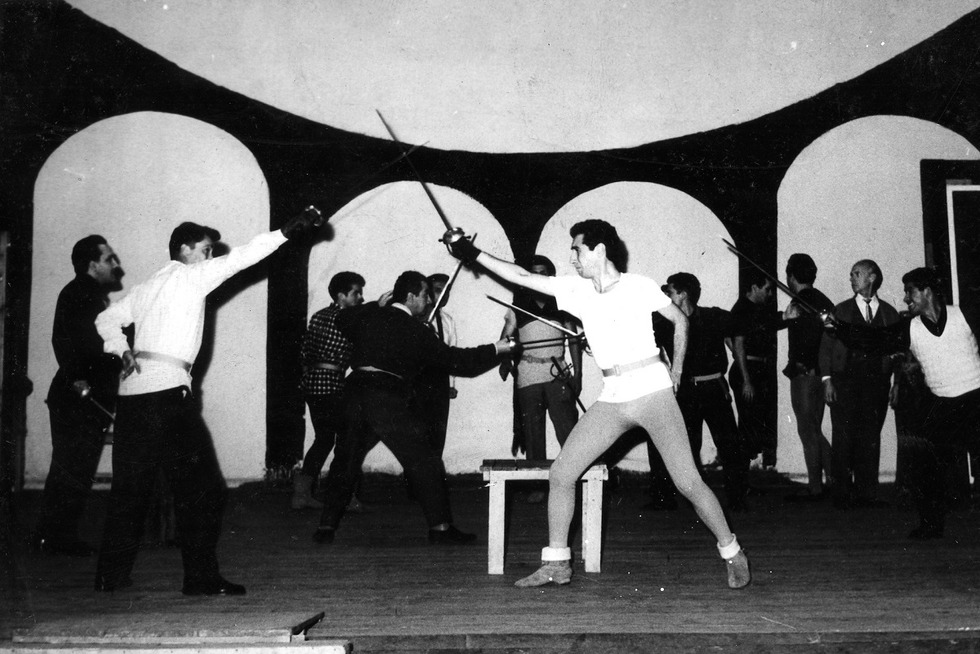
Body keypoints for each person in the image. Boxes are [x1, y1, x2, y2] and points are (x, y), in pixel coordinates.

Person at [447, 220, 751, 590]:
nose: (572, 258)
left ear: (599, 250)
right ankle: (557, 564)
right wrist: (471, 253)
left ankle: (732, 551)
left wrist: (679, 373)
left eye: (577, 249)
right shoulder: (575, 290)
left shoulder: (639, 286)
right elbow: (521, 276)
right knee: (562, 473)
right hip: (612, 397)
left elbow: (681, 321)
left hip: (653, 393)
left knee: (688, 481)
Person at [93, 208, 324, 595]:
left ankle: (108, 577)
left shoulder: (147, 286)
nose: (211, 256)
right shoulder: (190, 276)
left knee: (129, 490)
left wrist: (121, 349)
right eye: (205, 249)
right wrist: (288, 230)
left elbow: (105, 320)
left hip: (132, 398)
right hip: (166, 396)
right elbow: (242, 257)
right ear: (185, 250)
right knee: (204, 489)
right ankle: (200, 578)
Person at [312, 271, 514, 545]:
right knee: (426, 461)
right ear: (410, 297)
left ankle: (326, 527)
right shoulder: (414, 329)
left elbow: (343, 319)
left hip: (354, 392)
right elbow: (458, 361)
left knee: (344, 460)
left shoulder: (367, 315)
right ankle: (441, 529)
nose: (429, 301)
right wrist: (497, 348)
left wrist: (375, 305)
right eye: (425, 295)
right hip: (385, 397)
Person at [829, 267, 980, 539]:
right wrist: (838, 326)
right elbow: (872, 340)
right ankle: (931, 525)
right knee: (926, 466)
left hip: (975, 400)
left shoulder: (964, 315)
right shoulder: (910, 327)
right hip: (942, 404)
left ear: (926, 291)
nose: (906, 299)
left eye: (909, 292)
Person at [33, 235, 124, 557]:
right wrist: (83, 378)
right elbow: (68, 343)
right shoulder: (79, 295)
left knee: (74, 468)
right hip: (78, 398)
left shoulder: (88, 295)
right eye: (110, 259)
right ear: (92, 264)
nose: (117, 265)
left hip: (80, 396)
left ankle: (55, 536)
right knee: (72, 468)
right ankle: (55, 538)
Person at [648, 273, 751, 512]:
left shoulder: (713, 317)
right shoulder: (664, 322)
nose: (666, 295)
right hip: (684, 392)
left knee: (729, 446)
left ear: (683, 294)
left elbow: (746, 323)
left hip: (714, 389)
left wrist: (782, 317)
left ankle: (736, 499)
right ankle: (672, 499)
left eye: (670, 291)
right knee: (682, 446)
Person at [499, 255, 582, 503]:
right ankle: (537, 486)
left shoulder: (562, 302)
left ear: (550, 275)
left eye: (544, 272)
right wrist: (505, 360)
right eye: (534, 272)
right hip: (528, 374)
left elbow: (574, 340)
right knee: (533, 433)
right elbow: (506, 338)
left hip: (558, 374)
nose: (539, 276)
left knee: (567, 430)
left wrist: (578, 375)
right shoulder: (518, 305)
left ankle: (573, 482)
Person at [818, 259, 899, 509]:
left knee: (870, 438)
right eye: (852, 274)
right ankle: (841, 496)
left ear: (872, 278)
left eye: (856, 274)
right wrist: (827, 380)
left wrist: (896, 383)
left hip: (876, 386)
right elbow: (826, 348)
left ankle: (867, 495)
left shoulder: (889, 313)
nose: (851, 278)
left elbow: (897, 352)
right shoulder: (839, 311)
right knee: (842, 438)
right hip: (844, 384)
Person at [293, 271, 365, 511]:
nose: (361, 298)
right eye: (356, 293)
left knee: (323, 439)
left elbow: (304, 351)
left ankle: (301, 494)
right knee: (347, 441)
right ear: (341, 295)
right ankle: (344, 497)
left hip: (312, 385)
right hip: (332, 385)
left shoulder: (319, 316)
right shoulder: (347, 319)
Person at [782, 253, 835, 502]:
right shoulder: (823, 300)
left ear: (791, 276)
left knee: (808, 431)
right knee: (814, 429)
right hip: (821, 376)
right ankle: (836, 481)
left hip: (804, 375)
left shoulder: (799, 303)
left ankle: (817, 488)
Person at [728, 271, 780, 471]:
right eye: (767, 289)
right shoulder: (742, 309)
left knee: (752, 422)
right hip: (747, 373)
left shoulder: (755, 309)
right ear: (754, 288)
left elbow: (728, 338)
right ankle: (741, 475)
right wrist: (747, 380)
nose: (769, 294)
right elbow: (738, 344)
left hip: (754, 370)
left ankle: (744, 476)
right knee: (748, 424)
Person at [415, 272, 458, 459]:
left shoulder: (448, 320)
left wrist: (451, 384)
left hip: (439, 384)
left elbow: (453, 353)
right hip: (417, 382)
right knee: (417, 438)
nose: (443, 295)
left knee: (437, 436)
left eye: (447, 291)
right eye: (438, 290)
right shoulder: (415, 317)